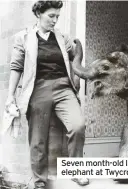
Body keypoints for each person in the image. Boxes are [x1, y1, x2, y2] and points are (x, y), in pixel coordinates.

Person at [5, 1, 89, 188]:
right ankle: (39, 182)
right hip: (38, 89)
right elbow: (16, 67)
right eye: (51, 16)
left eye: (57, 16)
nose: (55, 20)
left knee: (78, 126)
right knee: (38, 139)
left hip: (63, 88)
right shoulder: (23, 37)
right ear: (38, 14)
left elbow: (75, 59)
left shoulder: (62, 38)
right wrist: (10, 96)